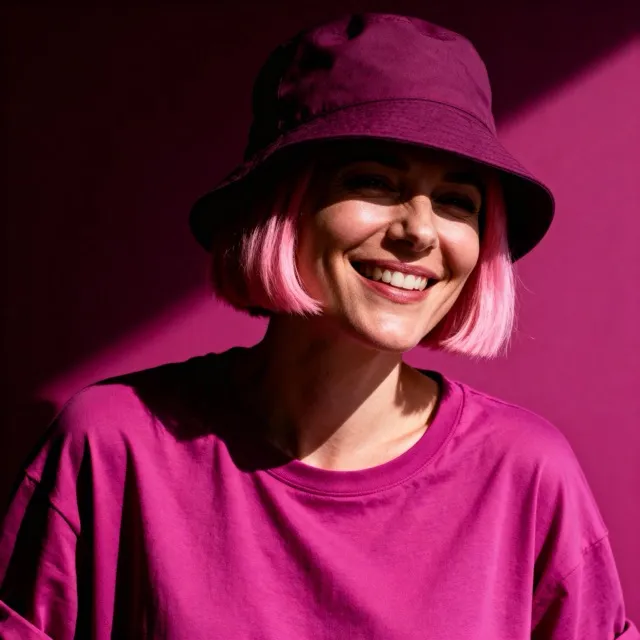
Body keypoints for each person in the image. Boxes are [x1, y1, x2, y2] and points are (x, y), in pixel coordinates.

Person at [0, 12, 636, 640]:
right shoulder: (113, 445)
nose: (419, 231)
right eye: (375, 182)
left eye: (455, 201)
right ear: (282, 205)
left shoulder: (525, 473)